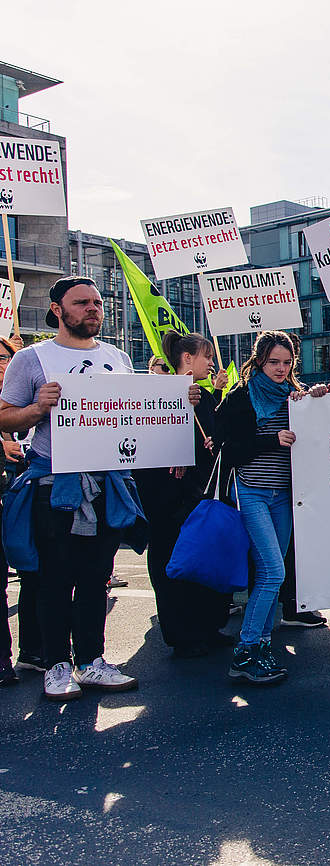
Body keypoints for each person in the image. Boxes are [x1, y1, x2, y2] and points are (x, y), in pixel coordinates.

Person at [0, 277, 199, 701]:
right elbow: (4, 418)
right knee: (55, 578)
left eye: (97, 302)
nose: (93, 308)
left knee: (96, 578)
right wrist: (37, 408)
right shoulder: (32, 359)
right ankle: (56, 664)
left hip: (109, 485)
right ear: (58, 310)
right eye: (81, 302)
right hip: (56, 484)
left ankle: (91, 661)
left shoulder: (118, 357)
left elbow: (135, 418)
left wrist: (180, 406)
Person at [214, 331, 329, 684]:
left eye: (286, 362)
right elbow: (225, 447)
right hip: (252, 491)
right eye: (273, 362)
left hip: (285, 494)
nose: (280, 369)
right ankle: (245, 650)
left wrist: (318, 399)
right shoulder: (240, 397)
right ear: (259, 361)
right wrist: (270, 438)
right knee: (273, 572)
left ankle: (261, 644)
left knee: (270, 576)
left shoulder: (295, 397)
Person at [134, 331, 234, 657]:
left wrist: (211, 443)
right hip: (167, 496)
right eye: (207, 356)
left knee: (204, 558)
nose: (211, 363)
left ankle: (208, 625)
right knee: (171, 560)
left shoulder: (204, 398)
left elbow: (215, 438)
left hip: (199, 494)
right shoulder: (155, 394)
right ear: (188, 359)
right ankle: (181, 633)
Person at [0, 335, 34, 685]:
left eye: (4, 356)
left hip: (17, 493)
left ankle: (26, 653)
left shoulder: (19, 400)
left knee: (31, 573)